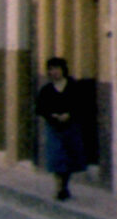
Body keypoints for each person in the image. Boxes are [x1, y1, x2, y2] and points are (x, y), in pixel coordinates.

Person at [35, 57, 89, 200]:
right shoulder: (46, 90)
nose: (54, 72)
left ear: (63, 70)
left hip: (70, 126)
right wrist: (52, 116)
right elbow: (40, 108)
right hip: (54, 127)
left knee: (69, 157)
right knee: (56, 156)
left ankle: (64, 185)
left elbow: (80, 104)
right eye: (51, 69)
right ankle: (59, 186)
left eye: (57, 69)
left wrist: (69, 114)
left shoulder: (73, 86)